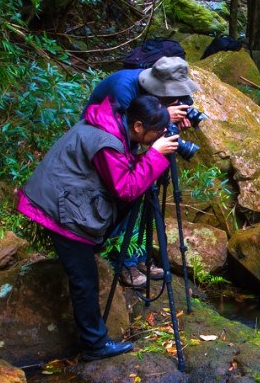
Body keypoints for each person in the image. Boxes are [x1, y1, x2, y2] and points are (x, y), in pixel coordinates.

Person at [17, 94, 179, 359]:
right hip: (60, 208)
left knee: (84, 273)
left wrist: (152, 150)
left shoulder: (112, 124)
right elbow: (126, 188)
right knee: (85, 280)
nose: (160, 137)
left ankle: (94, 338)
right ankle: (94, 345)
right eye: (157, 132)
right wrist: (155, 156)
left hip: (61, 196)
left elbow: (123, 172)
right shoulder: (107, 142)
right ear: (138, 127)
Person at [85, 55, 204, 287]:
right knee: (124, 196)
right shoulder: (123, 89)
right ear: (159, 88)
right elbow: (124, 130)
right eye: (171, 96)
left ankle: (140, 256)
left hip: (128, 144)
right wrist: (163, 117)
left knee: (145, 195)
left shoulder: (154, 91)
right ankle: (123, 259)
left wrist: (169, 121)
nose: (175, 99)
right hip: (106, 147)